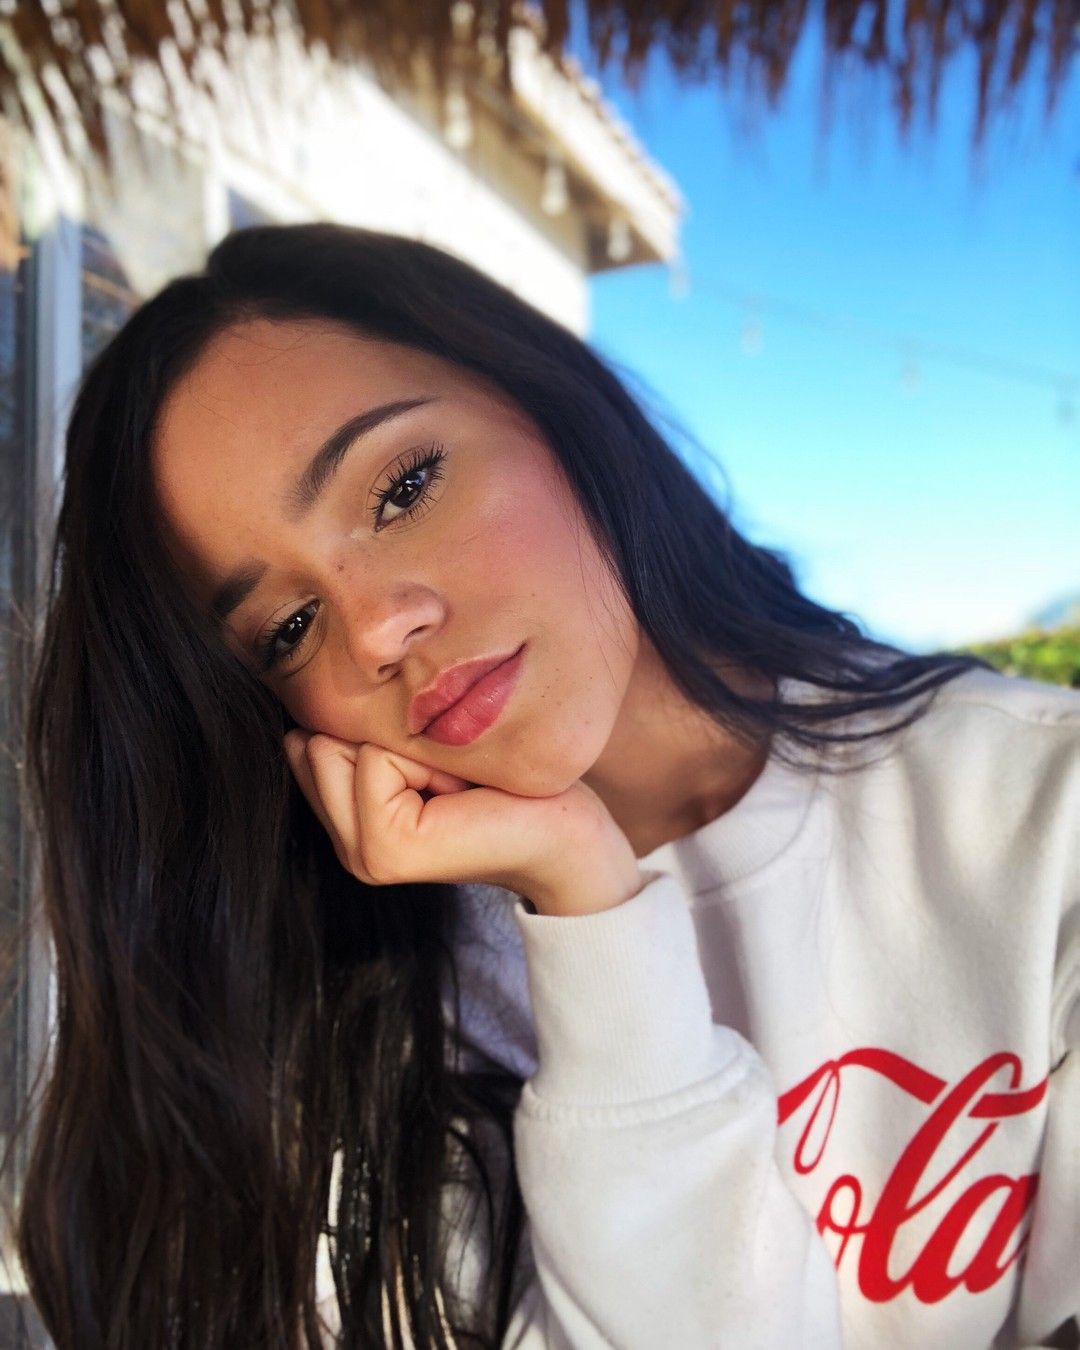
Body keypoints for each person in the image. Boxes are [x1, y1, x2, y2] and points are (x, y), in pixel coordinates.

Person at [7, 222, 1076, 1349]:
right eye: (289, 627)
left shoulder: (1032, 813)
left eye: (402, 487)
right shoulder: (364, 1025)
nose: (375, 629)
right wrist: (587, 901)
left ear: (550, 409)